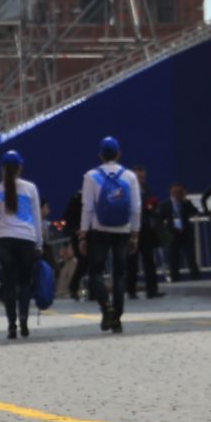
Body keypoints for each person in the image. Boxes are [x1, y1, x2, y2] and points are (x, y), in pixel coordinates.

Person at [0, 150, 41, 339]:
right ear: (20, 167)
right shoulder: (30, 189)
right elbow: (36, 218)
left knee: (9, 285)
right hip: (27, 240)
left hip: (5, 241)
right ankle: (24, 319)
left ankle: (11, 324)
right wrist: (39, 243)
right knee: (25, 283)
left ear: (2, 169)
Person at [79, 136, 140, 334]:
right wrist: (135, 233)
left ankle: (106, 307)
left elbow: (87, 207)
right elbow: (136, 207)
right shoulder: (129, 176)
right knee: (120, 273)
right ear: (119, 154)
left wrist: (83, 233)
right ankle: (118, 316)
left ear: (100, 155)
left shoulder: (91, 176)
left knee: (96, 271)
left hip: (99, 230)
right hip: (122, 230)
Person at [128, 165, 162, 299]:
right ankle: (131, 290)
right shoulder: (128, 190)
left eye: (142, 177)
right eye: (138, 177)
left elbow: (153, 205)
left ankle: (152, 289)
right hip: (132, 229)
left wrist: (152, 208)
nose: (141, 179)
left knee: (149, 260)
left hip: (146, 229)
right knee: (132, 262)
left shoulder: (147, 189)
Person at [165, 182, 201, 281]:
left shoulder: (185, 203)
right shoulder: (166, 204)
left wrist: (185, 200)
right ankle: (175, 278)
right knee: (173, 259)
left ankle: (196, 277)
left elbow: (195, 211)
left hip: (185, 234)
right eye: (174, 192)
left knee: (190, 257)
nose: (176, 194)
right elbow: (160, 217)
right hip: (173, 234)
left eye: (179, 192)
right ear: (171, 192)